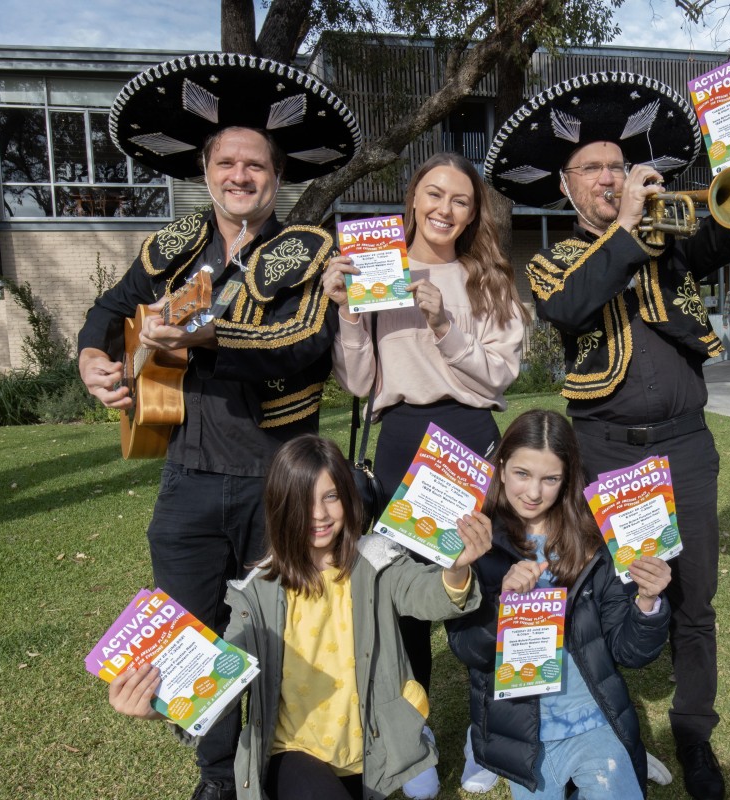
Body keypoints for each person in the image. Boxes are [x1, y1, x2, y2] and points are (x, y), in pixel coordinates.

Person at [485, 70, 730, 799]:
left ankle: (693, 733)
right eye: (595, 170)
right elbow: (575, 304)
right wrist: (622, 232)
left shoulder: (668, 242)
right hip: (607, 450)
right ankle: (609, 723)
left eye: (619, 167)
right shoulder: (554, 261)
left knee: (695, 597)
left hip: (684, 442)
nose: (612, 179)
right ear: (567, 184)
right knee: (599, 594)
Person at [78, 53, 362, 800]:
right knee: (189, 638)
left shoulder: (309, 249)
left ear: (278, 176)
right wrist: (91, 359)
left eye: (257, 165)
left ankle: (279, 765)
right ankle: (216, 774)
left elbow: (303, 346)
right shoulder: (171, 248)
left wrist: (209, 340)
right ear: (206, 168)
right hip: (188, 481)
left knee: (278, 637)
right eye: (228, 161)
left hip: (278, 481)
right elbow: (110, 309)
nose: (242, 175)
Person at [107, 434, 493, 800]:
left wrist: (455, 569)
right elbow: (223, 680)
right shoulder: (256, 591)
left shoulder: (377, 560)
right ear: (280, 504)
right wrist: (161, 701)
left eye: (331, 497)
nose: (319, 514)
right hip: (290, 752)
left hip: (369, 748)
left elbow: (427, 594)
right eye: (303, 500)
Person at [324, 151, 526, 797]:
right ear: (411, 198)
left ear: (474, 212)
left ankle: (485, 736)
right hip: (401, 438)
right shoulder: (374, 264)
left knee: (480, 586)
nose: (444, 209)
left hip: (468, 436)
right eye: (433, 195)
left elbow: (501, 374)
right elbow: (358, 381)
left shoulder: (487, 276)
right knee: (402, 603)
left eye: (461, 200)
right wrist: (350, 312)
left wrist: (444, 324)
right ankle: (411, 740)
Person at [445, 409, 672, 799]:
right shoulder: (478, 540)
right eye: (522, 474)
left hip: (593, 718)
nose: (534, 493)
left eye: (550, 479)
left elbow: (628, 652)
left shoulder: (596, 542)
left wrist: (648, 601)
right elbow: (468, 649)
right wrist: (504, 606)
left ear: (567, 480)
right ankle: (478, 745)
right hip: (523, 732)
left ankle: (620, 754)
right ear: (500, 468)